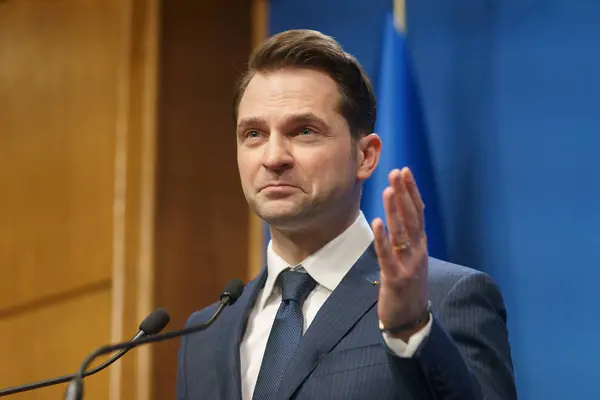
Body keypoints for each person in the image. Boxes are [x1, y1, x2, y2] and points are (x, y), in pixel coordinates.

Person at [177, 29, 517, 400]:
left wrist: (412, 330)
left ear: (366, 156)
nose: (273, 157)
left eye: (304, 131)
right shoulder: (204, 334)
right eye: (254, 134)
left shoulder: (447, 298)